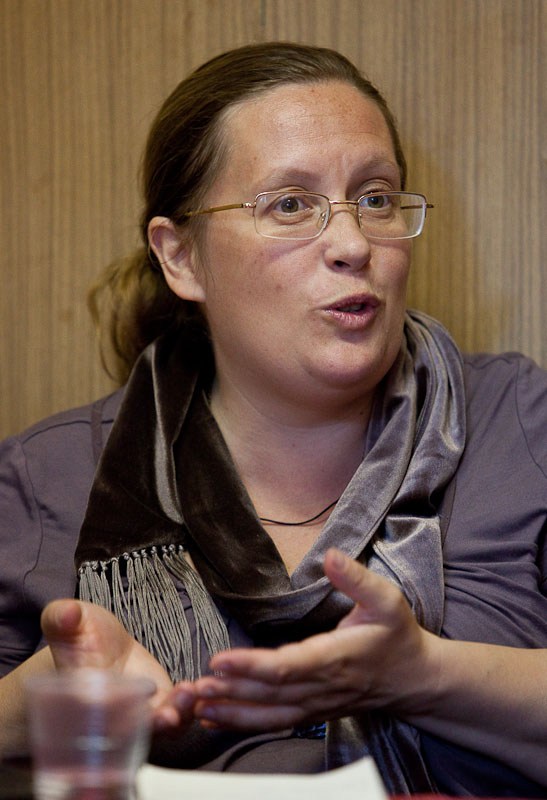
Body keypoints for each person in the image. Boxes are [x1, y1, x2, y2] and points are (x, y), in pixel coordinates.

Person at [0, 41, 546, 797]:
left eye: (376, 198)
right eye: (290, 205)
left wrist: (427, 676)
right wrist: (40, 708)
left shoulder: (519, 424)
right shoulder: (44, 477)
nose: (353, 243)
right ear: (180, 257)